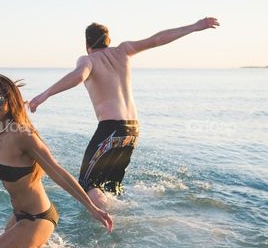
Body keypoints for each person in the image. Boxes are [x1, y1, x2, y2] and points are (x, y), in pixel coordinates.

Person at [28, 17, 219, 206]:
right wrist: (195, 26)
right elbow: (157, 39)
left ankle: (110, 220)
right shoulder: (125, 50)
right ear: (108, 41)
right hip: (132, 131)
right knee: (111, 187)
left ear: (87, 44)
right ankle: (115, 214)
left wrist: (45, 95)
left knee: (88, 185)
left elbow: (79, 75)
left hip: (110, 130)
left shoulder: (87, 59)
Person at [0, 74, 112, 248]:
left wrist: (91, 207)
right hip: (19, 216)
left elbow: (57, 171)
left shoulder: (22, 135)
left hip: (38, 218)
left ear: (10, 101)